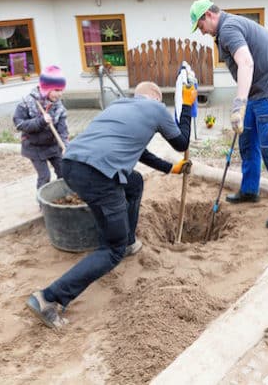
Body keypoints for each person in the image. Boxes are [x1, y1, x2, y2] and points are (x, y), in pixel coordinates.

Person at [26, 81, 196, 329]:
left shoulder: (120, 106)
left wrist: (169, 168)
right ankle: (48, 298)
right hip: (98, 175)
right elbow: (182, 143)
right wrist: (187, 108)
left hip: (71, 166)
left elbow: (139, 152)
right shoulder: (156, 109)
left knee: (134, 181)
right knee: (112, 249)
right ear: (156, 99)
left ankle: (127, 241)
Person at [190, 0, 268, 229]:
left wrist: (239, 102)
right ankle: (250, 190)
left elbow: (246, 62)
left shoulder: (229, 28)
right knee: (247, 139)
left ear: (208, 16)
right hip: (258, 92)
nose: (202, 33)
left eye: (201, 27)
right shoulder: (226, 29)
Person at [13, 65, 69, 190]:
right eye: (56, 90)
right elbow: (19, 124)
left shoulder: (58, 106)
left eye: (61, 90)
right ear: (46, 88)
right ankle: (43, 204)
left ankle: (64, 197)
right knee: (45, 176)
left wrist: (65, 145)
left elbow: (62, 130)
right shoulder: (27, 103)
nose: (60, 94)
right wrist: (40, 121)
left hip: (53, 146)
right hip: (34, 148)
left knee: (63, 172)